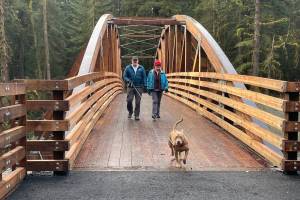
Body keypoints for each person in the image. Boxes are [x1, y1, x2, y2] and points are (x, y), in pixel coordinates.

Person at [123, 56, 147, 121]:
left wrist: (145, 85)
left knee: (138, 102)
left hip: (139, 87)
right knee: (129, 100)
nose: (135, 62)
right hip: (130, 87)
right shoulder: (128, 68)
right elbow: (124, 76)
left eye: (136, 60)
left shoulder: (141, 68)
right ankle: (130, 112)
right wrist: (128, 80)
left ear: (138, 61)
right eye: (134, 60)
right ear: (132, 61)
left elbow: (144, 77)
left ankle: (136, 115)